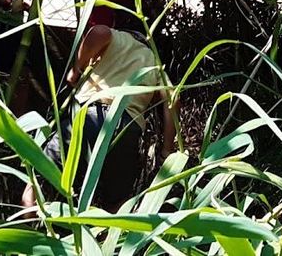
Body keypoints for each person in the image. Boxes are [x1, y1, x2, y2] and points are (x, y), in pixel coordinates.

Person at [21, 16, 177, 210]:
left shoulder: (119, 37)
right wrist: (167, 149)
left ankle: (26, 222)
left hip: (90, 115)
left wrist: (76, 69)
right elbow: (173, 99)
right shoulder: (155, 64)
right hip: (126, 128)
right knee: (117, 202)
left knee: (37, 180)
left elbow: (99, 31)